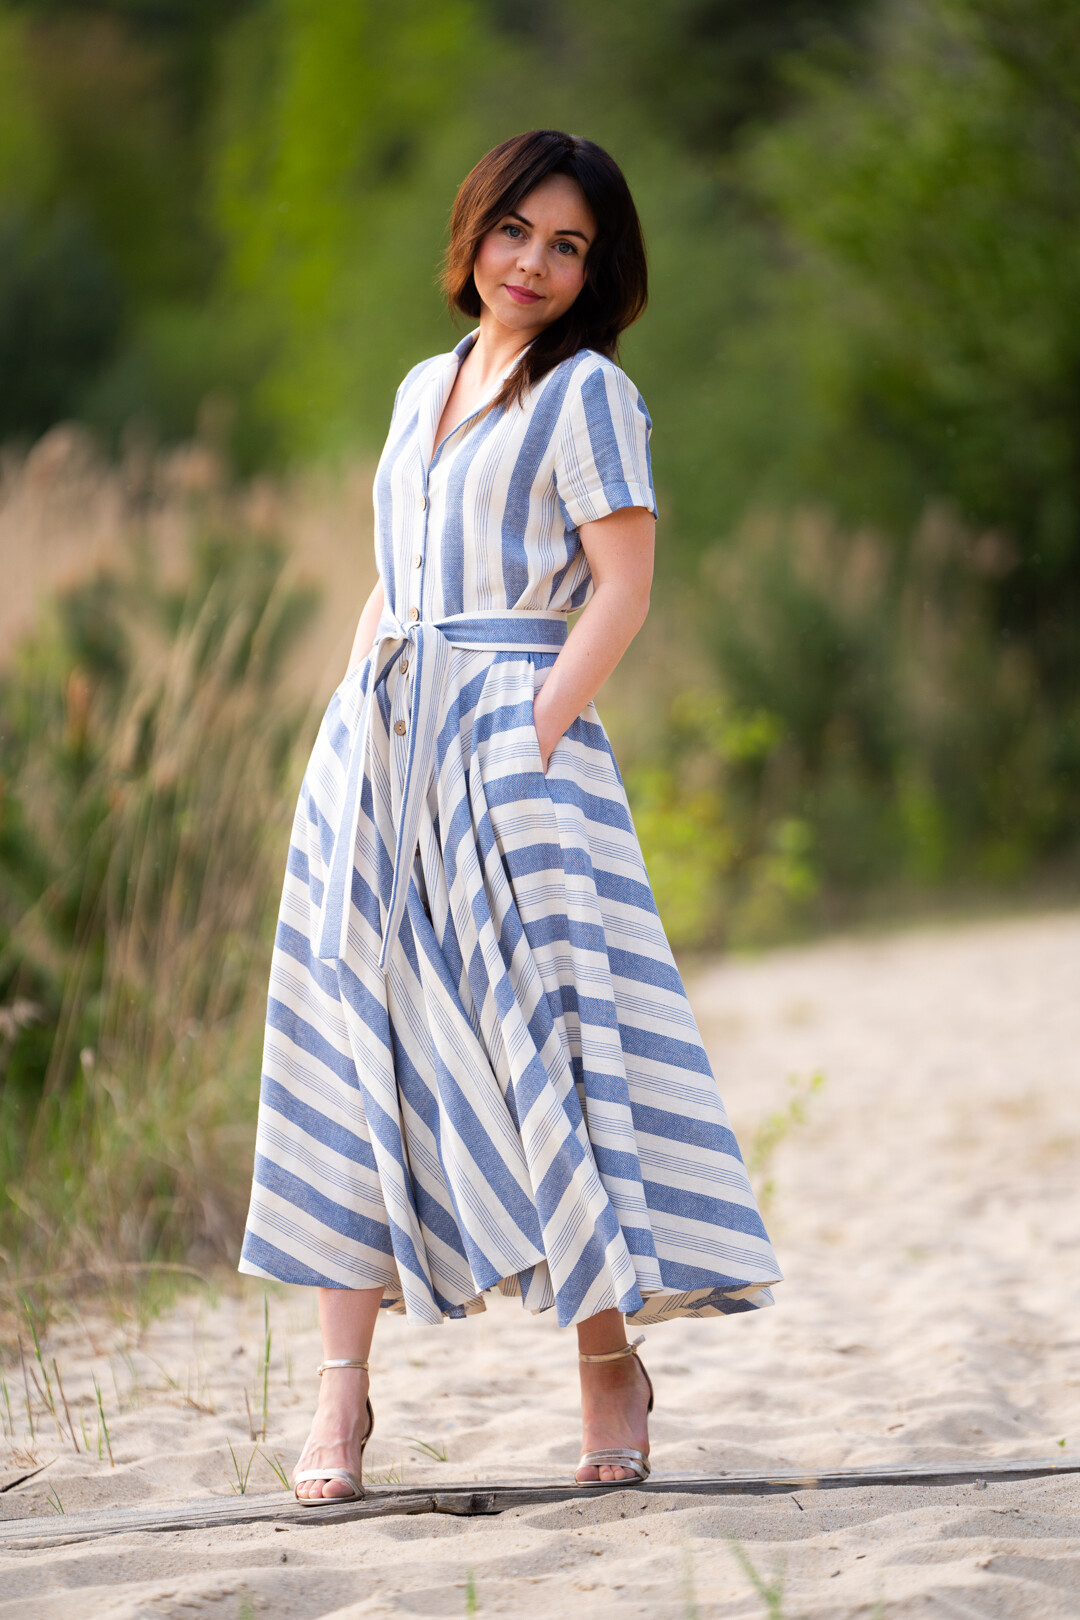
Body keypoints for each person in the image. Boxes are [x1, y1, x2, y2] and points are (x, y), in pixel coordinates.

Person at [239, 128, 781, 1503]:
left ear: (598, 270)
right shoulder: (422, 386)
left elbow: (623, 591)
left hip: (513, 752)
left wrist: (531, 736)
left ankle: (607, 1366)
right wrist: (355, 715)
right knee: (353, 1040)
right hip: (382, 742)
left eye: (568, 245)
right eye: (515, 232)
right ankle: (341, 1398)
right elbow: (398, 573)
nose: (534, 263)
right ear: (474, 231)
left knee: (554, 1048)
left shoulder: (589, 392)